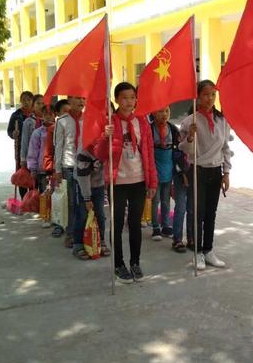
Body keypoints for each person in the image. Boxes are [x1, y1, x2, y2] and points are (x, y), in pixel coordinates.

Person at [94, 82, 157, 283]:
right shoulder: (109, 123)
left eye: (132, 97)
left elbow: (148, 153)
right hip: (117, 182)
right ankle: (118, 264)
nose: (129, 102)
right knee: (118, 223)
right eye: (124, 98)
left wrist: (152, 182)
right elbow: (100, 154)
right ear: (116, 100)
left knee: (135, 224)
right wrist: (105, 137)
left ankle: (135, 262)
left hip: (138, 180)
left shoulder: (142, 122)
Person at [179, 80, 232, 270]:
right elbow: (184, 149)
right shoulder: (189, 121)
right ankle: (198, 252)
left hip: (215, 171)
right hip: (197, 170)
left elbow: (226, 147)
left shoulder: (222, 121)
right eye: (205, 95)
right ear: (198, 97)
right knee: (197, 213)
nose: (209, 98)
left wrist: (226, 173)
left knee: (211, 213)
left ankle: (209, 250)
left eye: (213, 95)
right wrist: (190, 136)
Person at [54, 96, 85, 255]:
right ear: (69, 101)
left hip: (85, 165)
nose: (81, 101)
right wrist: (57, 169)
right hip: (69, 165)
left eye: (83, 98)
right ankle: (70, 233)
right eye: (77, 98)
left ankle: (84, 234)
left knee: (85, 202)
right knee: (72, 202)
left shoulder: (88, 119)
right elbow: (59, 146)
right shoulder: (62, 121)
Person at [75, 146, 111, 257]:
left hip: (98, 186)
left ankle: (101, 241)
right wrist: (87, 198)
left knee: (100, 214)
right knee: (82, 215)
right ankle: (78, 244)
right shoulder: (84, 153)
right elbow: (83, 177)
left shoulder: (105, 148)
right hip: (83, 186)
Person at [150, 107, 178, 242]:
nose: (164, 114)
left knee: (166, 201)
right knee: (155, 201)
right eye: (160, 111)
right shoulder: (149, 129)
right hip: (154, 169)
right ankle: (155, 227)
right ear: (154, 113)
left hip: (169, 169)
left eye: (167, 111)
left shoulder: (173, 129)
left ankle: (165, 225)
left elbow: (179, 150)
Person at [43, 99, 70, 237]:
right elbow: (49, 150)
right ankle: (58, 224)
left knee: (70, 199)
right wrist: (50, 168)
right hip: (57, 169)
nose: (68, 113)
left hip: (70, 167)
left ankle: (70, 225)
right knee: (59, 197)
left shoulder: (75, 125)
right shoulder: (53, 129)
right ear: (57, 114)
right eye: (65, 111)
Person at [7, 91, 33, 198]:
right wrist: (13, 134)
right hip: (20, 148)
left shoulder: (36, 114)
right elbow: (9, 130)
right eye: (23, 100)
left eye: (28, 100)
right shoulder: (16, 115)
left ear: (32, 101)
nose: (26, 102)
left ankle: (32, 197)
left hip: (34, 148)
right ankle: (24, 198)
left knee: (33, 173)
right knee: (22, 173)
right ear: (20, 101)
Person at [27, 106, 55, 193]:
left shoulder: (59, 130)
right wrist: (32, 169)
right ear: (42, 116)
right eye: (45, 114)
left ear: (55, 115)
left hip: (56, 169)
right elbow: (33, 151)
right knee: (44, 195)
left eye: (50, 114)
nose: (48, 116)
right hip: (42, 170)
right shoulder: (37, 133)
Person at [20, 94, 44, 168]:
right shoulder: (28, 121)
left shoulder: (50, 119)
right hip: (32, 156)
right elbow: (24, 140)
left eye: (43, 103)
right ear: (33, 106)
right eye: (38, 103)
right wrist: (23, 158)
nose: (41, 106)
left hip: (44, 157)